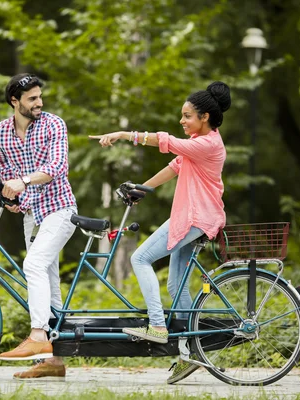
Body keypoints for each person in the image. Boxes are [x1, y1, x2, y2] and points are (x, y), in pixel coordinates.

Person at [89, 81, 230, 384]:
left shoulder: (206, 145)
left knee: (140, 258)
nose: (182, 121)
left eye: (187, 115)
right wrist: (144, 189)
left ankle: (157, 326)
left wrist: (125, 134)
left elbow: (164, 141)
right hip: (198, 218)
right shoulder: (203, 142)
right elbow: (175, 166)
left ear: (204, 117)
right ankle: (192, 353)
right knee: (177, 285)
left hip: (194, 218)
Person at [0, 73, 77, 380]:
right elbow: (5, 173)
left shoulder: (54, 124)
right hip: (32, 215)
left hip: (59, 209)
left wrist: (22, 181)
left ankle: (38, 334)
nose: (39, 103)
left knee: (34, 264)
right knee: (48, 283)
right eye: (31, 99)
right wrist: (9, 195)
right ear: (14, 102)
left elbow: (57, 168)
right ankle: (52, 360)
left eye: (40, 96)